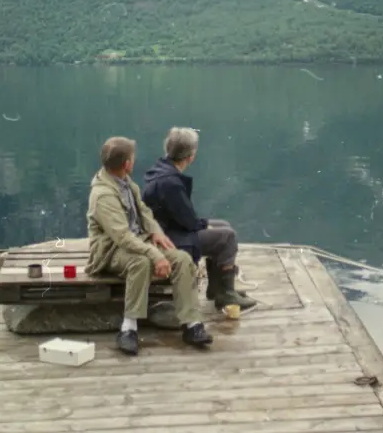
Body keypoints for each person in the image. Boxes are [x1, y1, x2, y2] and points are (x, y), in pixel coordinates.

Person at [85, 135, 213, 355]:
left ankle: (191, 324)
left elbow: (144, 212)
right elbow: (122, 237)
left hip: (139, 241)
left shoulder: (125, 182)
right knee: (141, 262)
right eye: (132, 158)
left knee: (181, 258)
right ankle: (129, 328)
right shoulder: (103, 195)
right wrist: (156, 255)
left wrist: (156, 231)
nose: (134, 161)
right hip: (111, 251)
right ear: (126, 163)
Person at [141, 127, 258, 311]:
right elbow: (189, 222)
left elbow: (184, 216)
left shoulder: (160, 169)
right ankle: (226, 296)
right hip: (168, 238)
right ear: (191, 156)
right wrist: (204, 225)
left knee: (223, 225)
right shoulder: (170, 183)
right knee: (227, 236)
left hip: (165, 229)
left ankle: (216, 288)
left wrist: (204, 224)